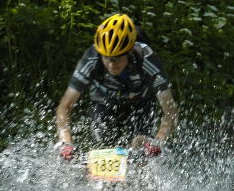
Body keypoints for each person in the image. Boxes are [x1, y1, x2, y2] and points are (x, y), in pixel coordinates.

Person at [56, 13, 178, 160]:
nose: (111, 64)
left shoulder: (147, 58)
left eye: (117, 58)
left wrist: (158, 142)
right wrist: (66, 143)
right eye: (106, 57)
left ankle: (141, 179)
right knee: (104, 147)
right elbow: (65, 106)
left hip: (141, 102)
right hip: (104, 101)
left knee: (139, 144)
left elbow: (170, 111)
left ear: (129, 52)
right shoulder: (91, 58)